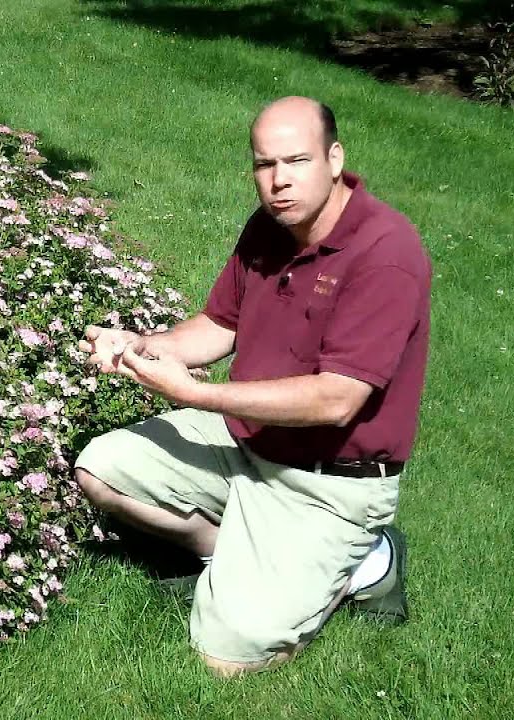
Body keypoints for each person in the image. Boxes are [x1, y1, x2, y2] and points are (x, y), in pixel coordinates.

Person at [74, 96, 431, 677]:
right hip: (247, 445)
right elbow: (220, 325)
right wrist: (140, 347)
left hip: (328, 482)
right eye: (265, 165)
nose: (279, 181)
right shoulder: (270, 227)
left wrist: (194, 394)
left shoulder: (385, 252)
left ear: (335, 158)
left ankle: (370, 560)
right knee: (103, 468)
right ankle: (231, 554)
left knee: (227, 660)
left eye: (296, 161)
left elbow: (337, 399)